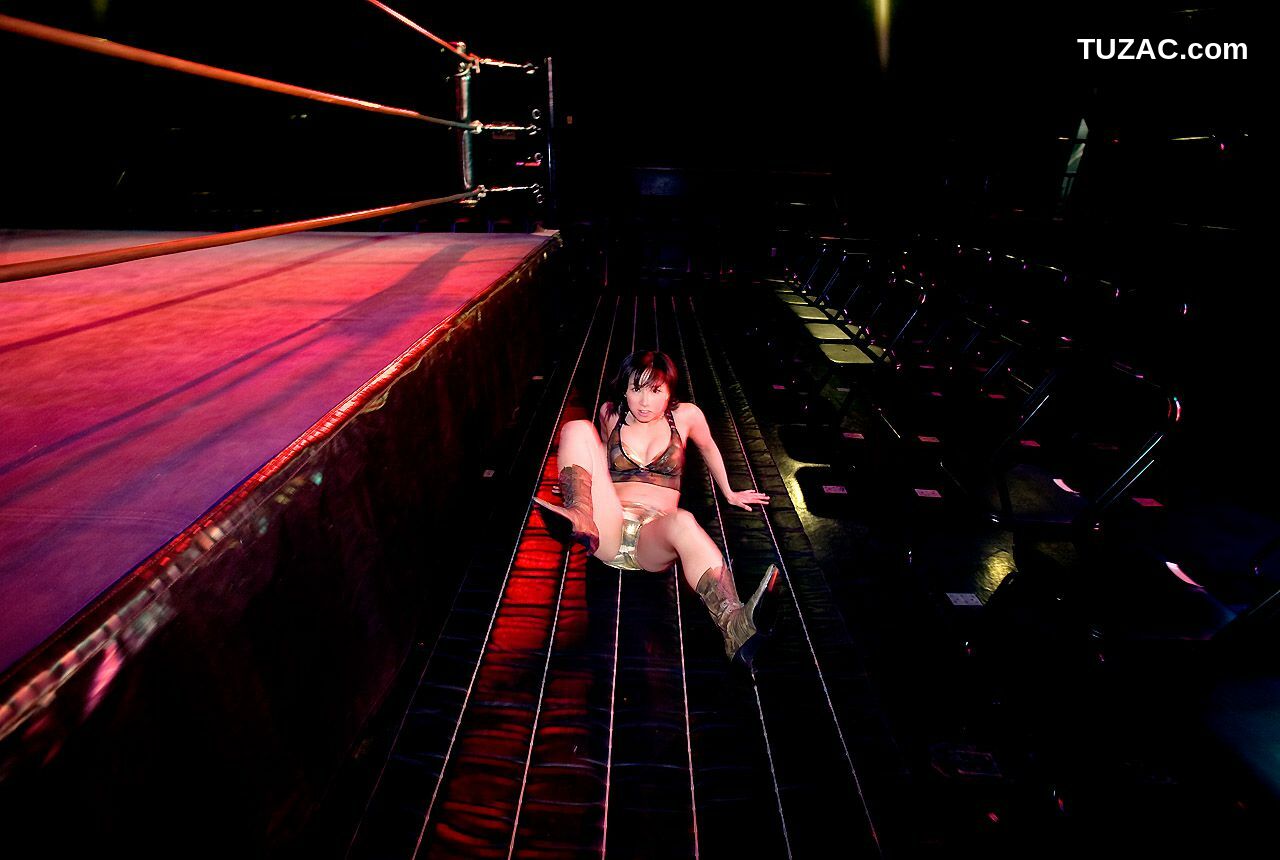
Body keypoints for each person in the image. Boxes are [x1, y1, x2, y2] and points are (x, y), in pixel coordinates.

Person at [534, 350, 780, 669]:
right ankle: (579, 513)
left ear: (669, 392)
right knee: (577, 428)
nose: (644, 402)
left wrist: (729, 493)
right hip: (606, 528)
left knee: (684, 521)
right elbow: (602, 458)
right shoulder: (610, 413)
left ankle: (735, 624)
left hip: (651, 539)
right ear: (624, 389)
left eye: (655, 390)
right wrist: (576, 484)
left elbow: (708, 447)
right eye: (636, 389)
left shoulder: (687, 416)